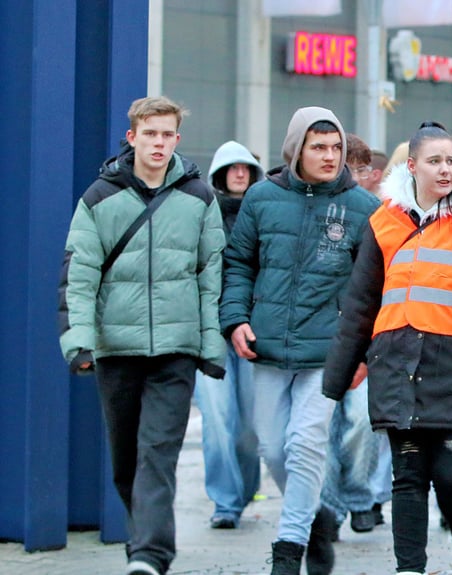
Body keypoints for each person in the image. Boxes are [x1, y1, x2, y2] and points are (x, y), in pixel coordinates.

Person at [321, 121, 452, 575]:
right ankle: (408, 568)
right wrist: (339, 376)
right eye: (435, 161)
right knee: (407, 478)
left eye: (450, 160)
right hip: (399, 366)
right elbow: (360, 303)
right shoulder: (384, 221)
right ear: (412, 166)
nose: (445, 169)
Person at [58, 96, 226, 575]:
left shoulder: (198, 197)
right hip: (117, 349)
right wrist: (78, 341)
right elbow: (79, 274)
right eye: (149, 133)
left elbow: (211, 272)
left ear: (177, 138)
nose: (158, 142)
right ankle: (146, 540)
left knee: (158, 452)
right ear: (132, 137)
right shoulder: (99, 197)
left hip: (175, 349)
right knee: (126, 461)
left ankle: (149, 555)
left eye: (166, 133)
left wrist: (209, 345)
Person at [219, 106, 380, 575]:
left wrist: (363, 354)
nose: (330, 157)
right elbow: (239, 264)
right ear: (296, 150)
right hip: (266, 346)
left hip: (330, 350)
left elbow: (375, 288)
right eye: (319, 148)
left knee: (306, 442)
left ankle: (288, 548)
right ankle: (317, 513)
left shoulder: (363, 209)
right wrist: (234, 320)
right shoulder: (261, 197)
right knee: (271, 446)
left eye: (336, 149)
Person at [319, 131, 390, 536]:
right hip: (321, 337)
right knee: (324, 429)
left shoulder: (377, 215)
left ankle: (359, 495)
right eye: (351, 167)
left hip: (367, 337)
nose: (355, 175)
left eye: (361, 168)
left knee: (362, 423)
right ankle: (329, 508)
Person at [195, 140, 265, 530]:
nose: (239, 174)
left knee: (250, 427)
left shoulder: (264, 214)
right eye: (231, 168)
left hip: (253, 332)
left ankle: (243, 492)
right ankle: (225, 501)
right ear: (220, 174)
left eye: (246, 168)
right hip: (210, 333)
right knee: (216, 419)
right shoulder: (201, 215)